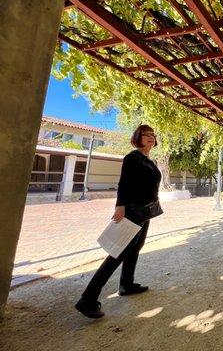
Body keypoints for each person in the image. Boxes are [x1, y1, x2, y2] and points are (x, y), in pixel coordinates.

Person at [75, 125, 161, 319]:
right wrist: (120, 206)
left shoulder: (149, 160)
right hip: (132, 210)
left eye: (152, 135)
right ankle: (87, 299)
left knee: (136, 246)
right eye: (146, 135)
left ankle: (126, 284)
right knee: (118, 252)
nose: (150, 137)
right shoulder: (132, 157)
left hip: (145, 210)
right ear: (137, 138)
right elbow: (124, 183)